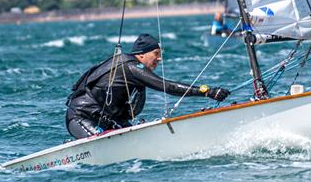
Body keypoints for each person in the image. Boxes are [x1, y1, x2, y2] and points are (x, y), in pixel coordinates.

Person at [65, 33, 230, 139]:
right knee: (101, 141)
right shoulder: (131, 68)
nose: (159, 59)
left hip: (108, 120)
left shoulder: (135, 73)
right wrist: (207, 91)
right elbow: (167, 86)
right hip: (81, 117)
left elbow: (131, 112)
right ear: (141, 54)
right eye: (156, 54)